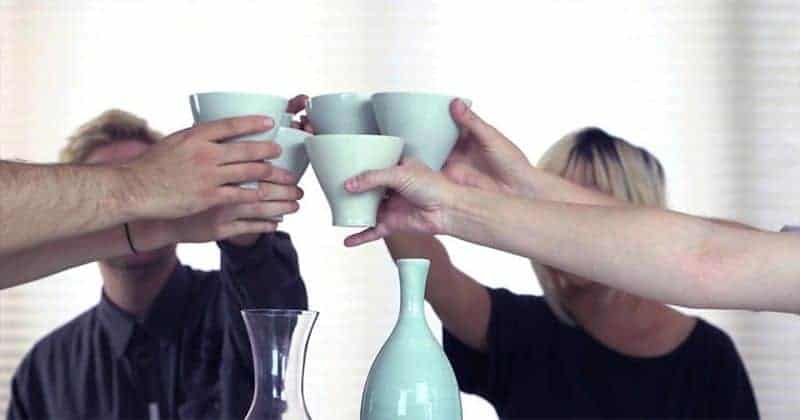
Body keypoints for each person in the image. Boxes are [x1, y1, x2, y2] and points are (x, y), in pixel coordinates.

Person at [382, 128, 758, 418]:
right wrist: (383, 169)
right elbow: (435, 275)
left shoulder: (709, 359)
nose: (565, 230)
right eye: (551, 212)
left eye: (584, 214)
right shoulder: (524, 331)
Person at [343, 99, 800, 314]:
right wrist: (522, 189)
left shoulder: (706, 360)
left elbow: (710, 257)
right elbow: (723, 248)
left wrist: (456, 208)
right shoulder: (527, 334)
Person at [6, 109, 308, 420]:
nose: (138, 208)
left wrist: (244, 210)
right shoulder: (44, 372)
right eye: (110, 192)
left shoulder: (234, 310)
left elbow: (275, 319)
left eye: (154, 183)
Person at [0, 94, 308, 290]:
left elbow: (273, 324)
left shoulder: (222, 310)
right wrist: (136, 184)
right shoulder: (46, 364)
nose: (146, 205)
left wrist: (240, 213)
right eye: (98, 177)